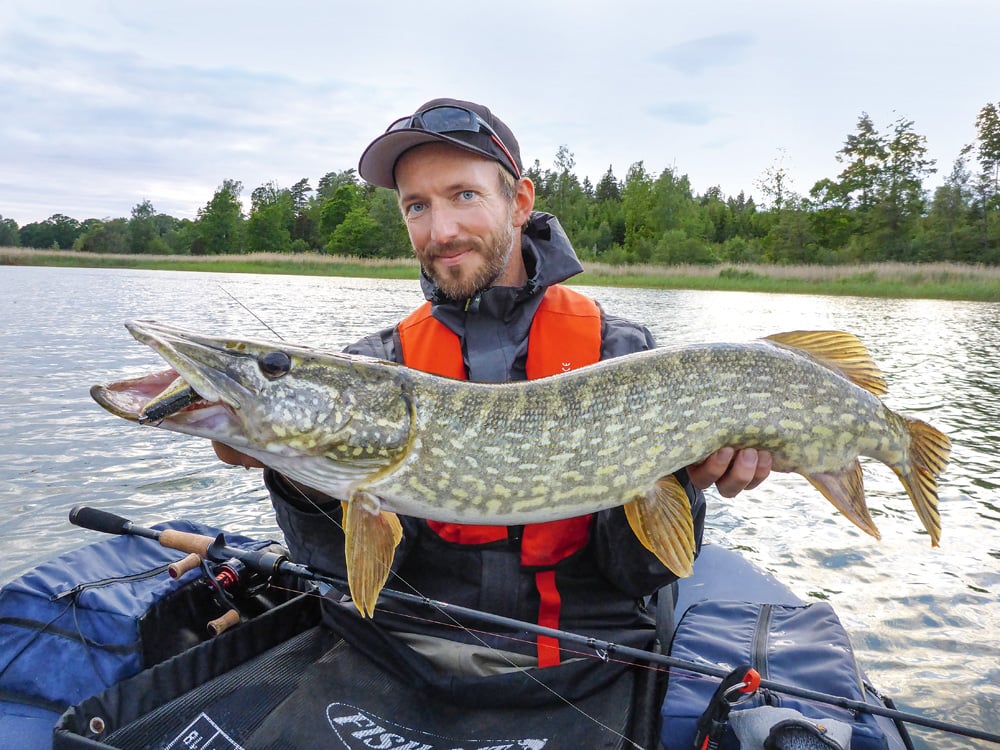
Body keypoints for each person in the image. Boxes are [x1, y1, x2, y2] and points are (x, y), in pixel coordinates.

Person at [213, 98, 772, 673]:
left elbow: (643, 575)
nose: (441, 230)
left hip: (588, 661)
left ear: (519, 202)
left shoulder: (621, 353)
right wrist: (306, 481)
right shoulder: (379, 366)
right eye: (416, 206)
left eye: (464, 195)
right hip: (412, 658)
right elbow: (342, 570)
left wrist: (688, 479)